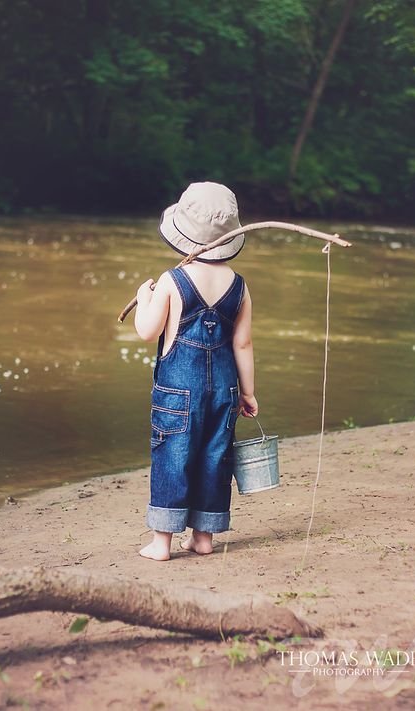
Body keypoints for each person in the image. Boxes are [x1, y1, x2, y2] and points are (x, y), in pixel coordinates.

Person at [134, 181, 258, 561]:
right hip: (225, 390)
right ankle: (203, 538)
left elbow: (147, 330)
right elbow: (242, 344)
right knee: (214, 457)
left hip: (177, 391)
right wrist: (248, 393)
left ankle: (162, 543)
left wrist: (144, 299)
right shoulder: (238, 285)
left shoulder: (173, 280)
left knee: (172, 456)